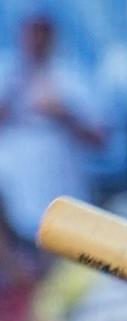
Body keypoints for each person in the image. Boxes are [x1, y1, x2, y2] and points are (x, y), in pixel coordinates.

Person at [0, 12, 104, 242]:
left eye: (41, 34)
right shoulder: (5, 73)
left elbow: (100, 139)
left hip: (59, 186)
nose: (35, 41)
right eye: (30, 34)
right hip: (10, 195)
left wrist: (64, 113)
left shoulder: (72, 78)